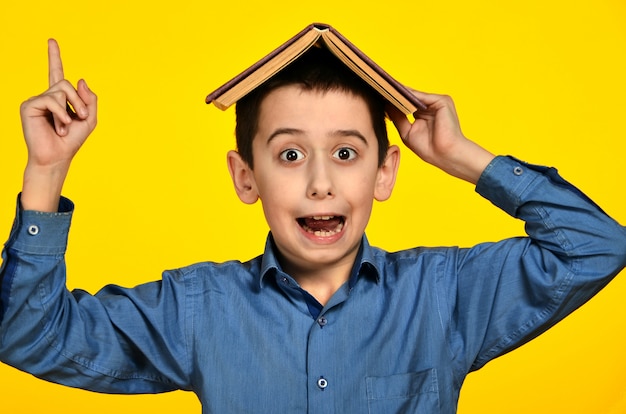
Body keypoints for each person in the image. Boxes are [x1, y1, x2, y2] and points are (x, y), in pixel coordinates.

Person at [0, 38, 624, 414]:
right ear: (246, 178)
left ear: (385, 175)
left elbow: (597, 248)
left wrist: (464, 158)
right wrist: (46, 171)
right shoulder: (199, 309)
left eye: (348, 154)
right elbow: (29, 338)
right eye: (290, 155)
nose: (320, 183)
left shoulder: (444, 293)